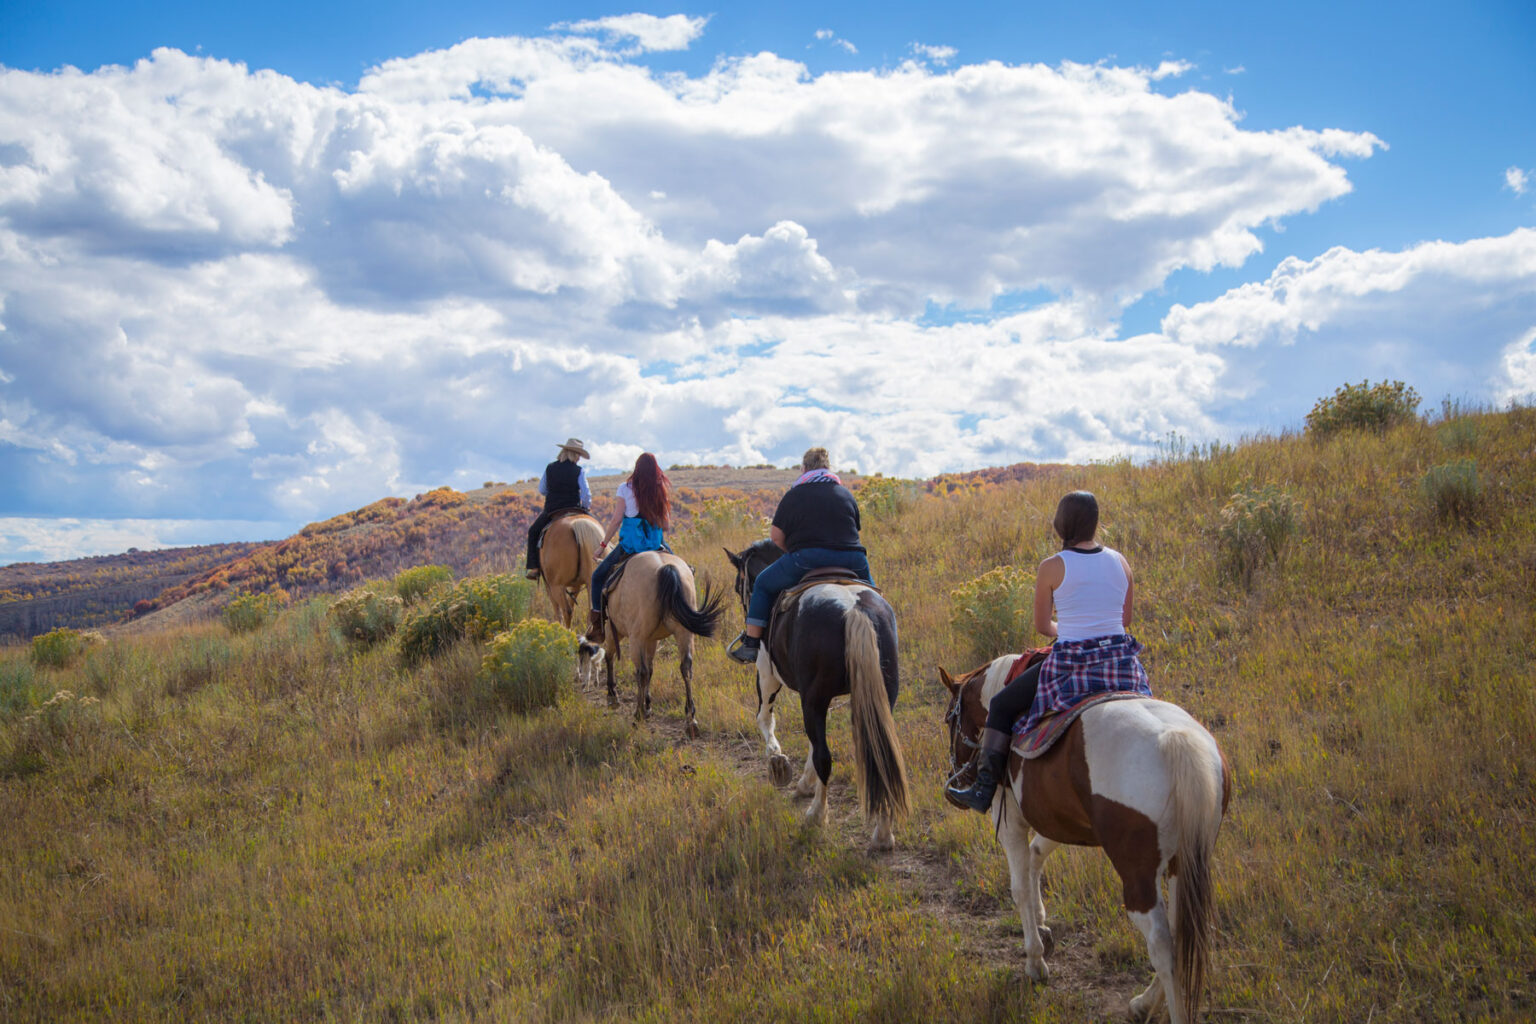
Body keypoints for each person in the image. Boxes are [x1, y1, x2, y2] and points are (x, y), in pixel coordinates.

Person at [947, 490, 1151, 812]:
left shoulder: (1052, 566)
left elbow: (1043, 625)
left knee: (1000, 705)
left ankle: (982, 790)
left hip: (1072, 663)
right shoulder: (1121, 562)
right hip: (1121, 663)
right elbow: (1124, 620)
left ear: (1061, 524)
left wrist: (1068, 629)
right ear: (1095, 523)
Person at [727, 447, 873, 664]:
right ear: (828, 468)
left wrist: (793, 552)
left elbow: (776, 537)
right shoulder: (846, 494)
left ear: (804, 469)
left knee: (764, 584)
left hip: (808, 559)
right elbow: (854, 530)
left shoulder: (795, 495)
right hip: (854, 560)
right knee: (876, 599)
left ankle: (751, 644)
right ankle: (885, 642)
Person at [586, 453, 673, 639]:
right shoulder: (660, 488)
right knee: (684, 569)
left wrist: (602, 546)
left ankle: (598, 625)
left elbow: (617, 520)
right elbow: (665, 526)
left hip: (631, 544)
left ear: (637, 468)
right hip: (655, 542)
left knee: (597, 576)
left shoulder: (624, 488)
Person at [524, 438, 593, 580]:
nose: (579, 458)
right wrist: (585, 508)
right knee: (597, 530)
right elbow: (586, 494)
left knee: (533, 531)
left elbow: (542, 489)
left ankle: (534, 567)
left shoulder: (550, 468)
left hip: (553, 510)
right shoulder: (579, 470)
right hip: (575, 508)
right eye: (578, 455)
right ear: (574, 454)